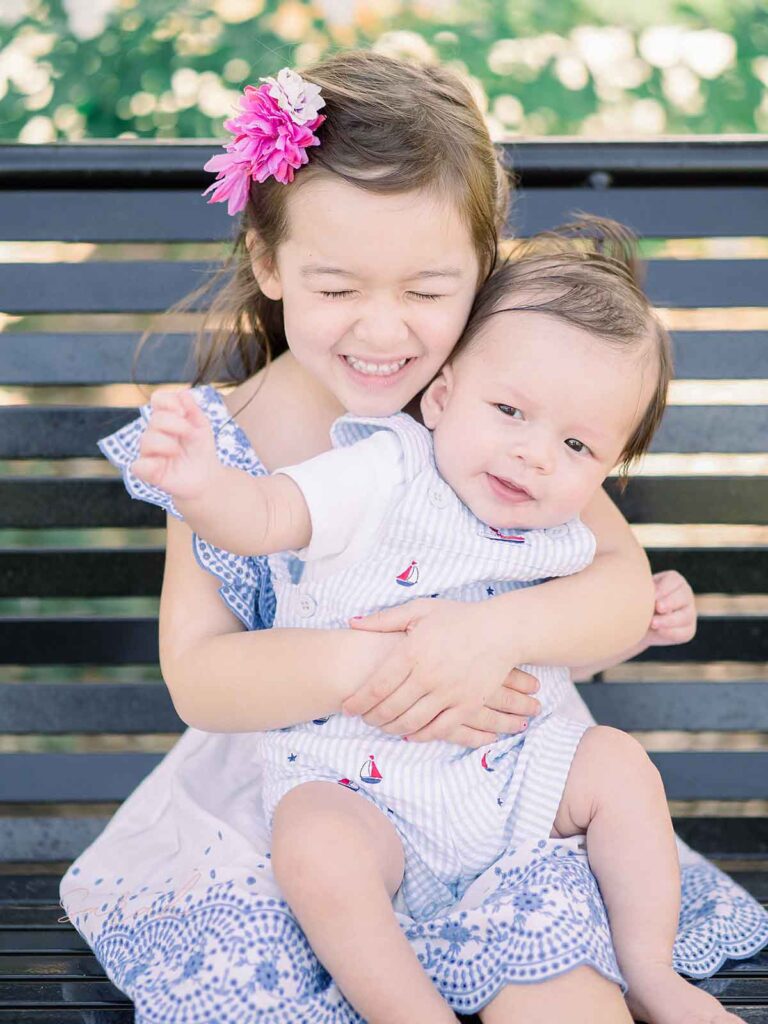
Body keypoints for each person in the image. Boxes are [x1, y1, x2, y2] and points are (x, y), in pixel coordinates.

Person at [59, 52, 768, 1024]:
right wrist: (383, 664)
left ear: (480, 271)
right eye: (338, 287)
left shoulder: (487, 409)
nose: (383, 330)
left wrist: (485, 638)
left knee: (569, 1003)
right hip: (312, 794)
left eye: (428, 290)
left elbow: (615, 582)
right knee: (318, 889)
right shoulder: (230, 444)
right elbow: (202, 679)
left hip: (497, 793)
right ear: (270, 264)